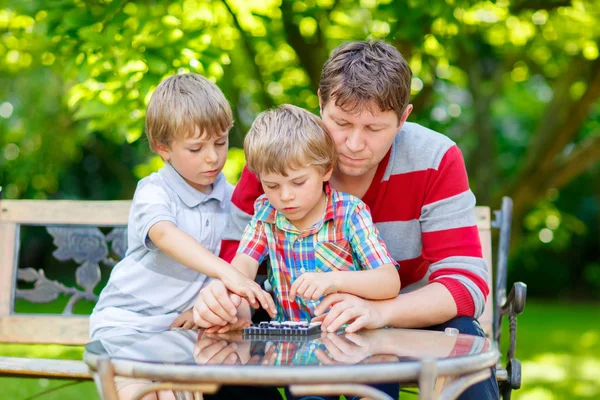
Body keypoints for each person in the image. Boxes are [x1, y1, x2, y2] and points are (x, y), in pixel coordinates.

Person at [194, 40, 499, 400]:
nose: (354, 143)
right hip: (296, 319)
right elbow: (239, 265)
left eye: (374, 129)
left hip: (409, 317)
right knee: (221, 354)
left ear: (403, 118)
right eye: (341, 123)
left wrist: (378, 311)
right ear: (320, 104)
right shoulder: (279, 160)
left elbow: (466, 284)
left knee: (464, 348)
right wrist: (229, 304)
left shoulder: (436, 158)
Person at [89, 73, 275, 400]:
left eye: (220, 142)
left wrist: (201, 308)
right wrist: (227, 272)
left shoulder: (229, 200)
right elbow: (164, 234)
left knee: (190, 390)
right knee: (139, 393)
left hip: (181, 331)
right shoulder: (154, 191)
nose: (212, 157)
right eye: (196, 148)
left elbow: (233, 256)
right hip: (127, 327)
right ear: (164, 149)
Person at [222, 104, 400, 325]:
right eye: (272, 185)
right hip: (289, 347)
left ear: (326, 170)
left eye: (298, 182)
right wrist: (233, 289)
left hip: (352, 343)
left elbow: (389, 280)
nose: (285, 196)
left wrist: (333, 280)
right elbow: (244, 263)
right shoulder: (266, 214)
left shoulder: (350, 213)